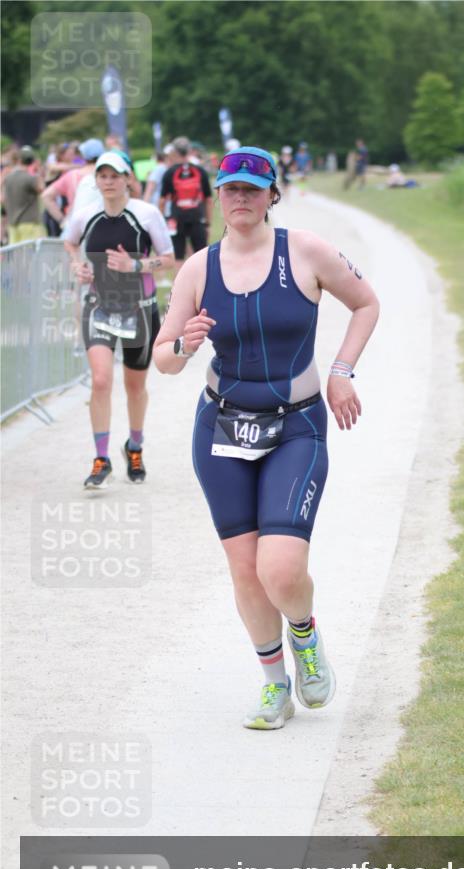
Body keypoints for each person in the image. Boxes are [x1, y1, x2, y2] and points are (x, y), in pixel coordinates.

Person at [152, 146, 380, 730]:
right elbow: (163, 359)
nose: (242, 198)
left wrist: (341, 370)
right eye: (232, 189)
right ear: (218, 197)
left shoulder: (305, 251)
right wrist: (185, 343)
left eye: (253, 189)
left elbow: (366, 303)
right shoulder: (198, 269)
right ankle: (274, 685)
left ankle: (304, 634)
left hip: (295, 427)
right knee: (246, 571)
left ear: (272, 194)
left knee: (280, 569)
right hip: (222, 427)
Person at [63, 151, 175, 488]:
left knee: (135, 386)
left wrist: (136, 266)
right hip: (99, 306)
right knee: (100, 381)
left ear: (127, 178)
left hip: (139, 308)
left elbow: (168, 259)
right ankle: (101, 458)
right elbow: (70, 244)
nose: (109, 182)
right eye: (103, 176)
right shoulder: (85, 216)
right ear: (96, 181)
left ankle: (134, 446)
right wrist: (77, 265)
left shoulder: (146, 214)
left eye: (115, 175)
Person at [159, 136, 213, 274]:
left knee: (178, 257)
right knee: (201, 256)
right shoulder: (200, 171)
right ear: (189, 151)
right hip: (197, 217)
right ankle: (202, 291)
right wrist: (208, 223)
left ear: (175, 152)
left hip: (176, 218)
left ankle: (179, 291)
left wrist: (163, 220)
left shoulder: (169, 173)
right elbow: (208, 199)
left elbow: (162, 200)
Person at [42, 138, 105, 229]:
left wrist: (62, 221)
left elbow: (46, 196)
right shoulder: (110, 176)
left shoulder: (72, 174)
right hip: (102, 222)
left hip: (76, 224)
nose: (74, 156)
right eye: (70, 153)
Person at [1, 146, 45, 243]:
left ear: (19, 160)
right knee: (31, 255)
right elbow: (42, 189)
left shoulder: (8, 178)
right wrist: (39, 172)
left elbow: (3, 199)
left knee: (15, 255)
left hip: (12, 224)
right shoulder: (30, 178)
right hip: (30, 223)